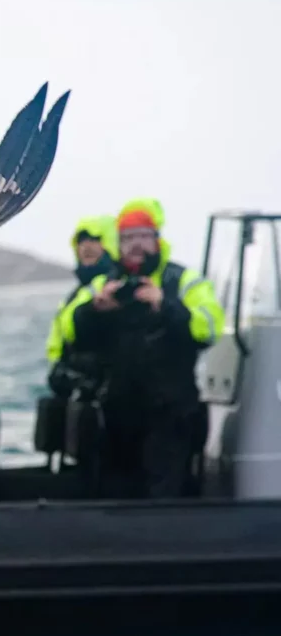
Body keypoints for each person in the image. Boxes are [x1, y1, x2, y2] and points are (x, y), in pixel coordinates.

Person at [57, 197, 225, 498]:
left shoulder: (183, 281)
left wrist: (165, 305)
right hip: (118, 415)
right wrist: (96, 309)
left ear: (157, 239)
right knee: (115, 493)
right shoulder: (103, 284)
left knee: (164, 494)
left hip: (171, 415)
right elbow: (67, 330)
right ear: (118, 244)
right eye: (128, 238)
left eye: (144, 236)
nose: (136, 245)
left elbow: (209, 328)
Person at [46, 215, 118, 399]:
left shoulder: (117, 285)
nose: (86, 246)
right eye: (81, 241)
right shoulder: (73, 296)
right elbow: (56, 345)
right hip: (76, 398)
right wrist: (59, 371)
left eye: (95, 239)